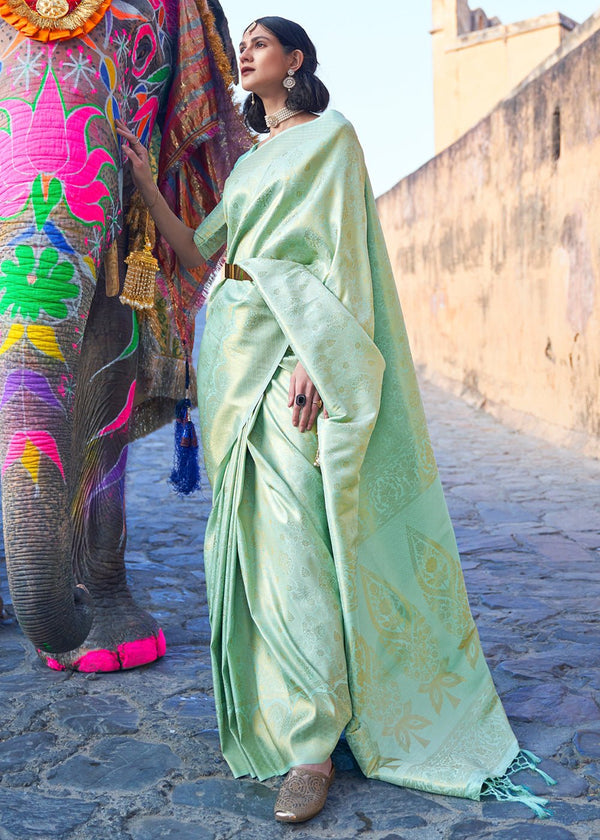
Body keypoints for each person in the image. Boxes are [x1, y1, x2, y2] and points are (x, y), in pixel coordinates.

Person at [117, 15, 552, 825]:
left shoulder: (333, 139)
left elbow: (346, 254)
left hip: (291, 352)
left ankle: (313, 748)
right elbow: (195, 249)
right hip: (229, 350)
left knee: (294, 542)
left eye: (261, 43)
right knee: (249, 542)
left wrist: (322, 357)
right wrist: (144, 180)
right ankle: (286, 716)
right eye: (241, 43)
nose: (245, 53)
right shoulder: (250, 164)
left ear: (298, 60)